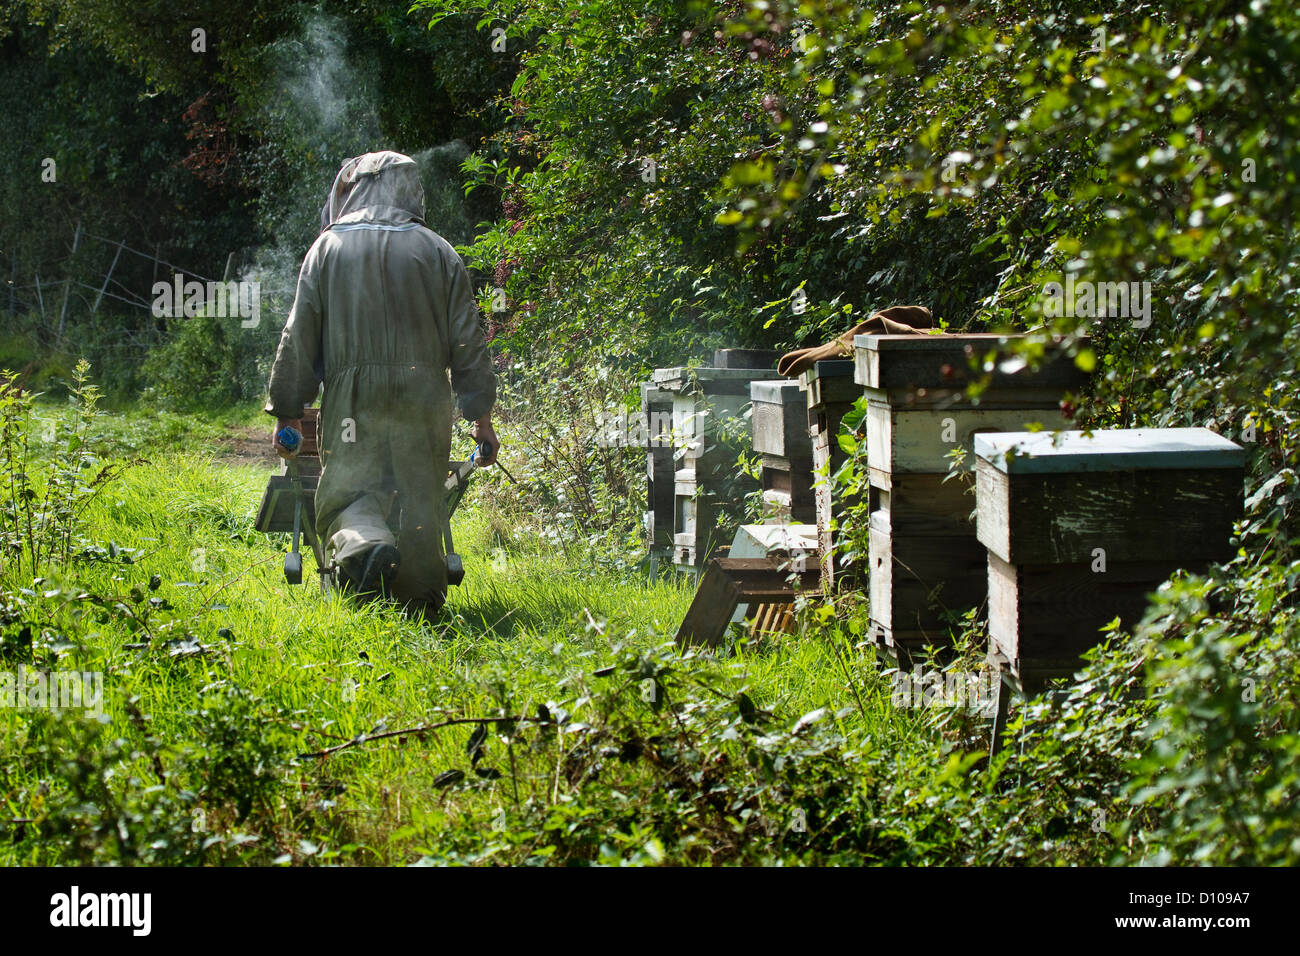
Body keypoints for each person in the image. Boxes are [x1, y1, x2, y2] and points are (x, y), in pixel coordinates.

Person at [265, 150, 498, 618]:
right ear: (409, 190)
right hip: (424, 398)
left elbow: (299, 335)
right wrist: (481, 418)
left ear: (357, 189)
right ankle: (420, 607)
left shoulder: (327, 249)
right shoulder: (439, 251)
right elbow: (468, 342)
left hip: (353, 400)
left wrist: (288, 411)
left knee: (349, 493)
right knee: (421, 502)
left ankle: (363, 545)